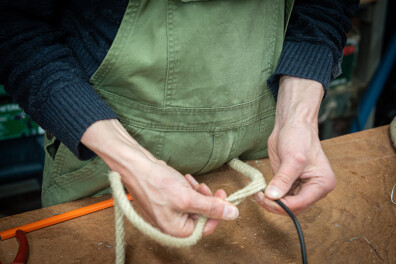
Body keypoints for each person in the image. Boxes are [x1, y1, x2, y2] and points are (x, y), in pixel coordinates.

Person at [0, 0, 359, 238]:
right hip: (105, 161)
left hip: (263, 146)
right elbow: (16, 28)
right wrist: (133, 163)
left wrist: (298, 115)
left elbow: (325, 6)